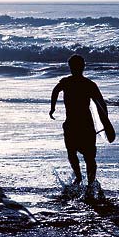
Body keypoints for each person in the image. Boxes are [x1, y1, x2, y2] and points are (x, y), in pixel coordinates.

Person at [49, 54, 110, 192]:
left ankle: (86, 180)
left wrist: (53, 107)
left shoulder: (81, 84)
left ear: (82, 67)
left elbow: (101, 104)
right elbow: (102, 104)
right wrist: (105, 121)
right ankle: (85, 180)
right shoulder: (84, 84)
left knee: (80, 154)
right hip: (80, 125)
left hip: (78, 124)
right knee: (81, 155)